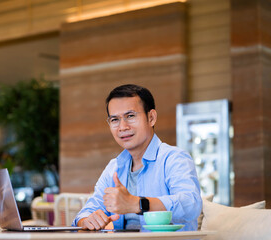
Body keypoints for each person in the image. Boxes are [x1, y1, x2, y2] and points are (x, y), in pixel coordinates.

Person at [72, 84, 202, 231]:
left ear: (151, 118)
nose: (122, 127)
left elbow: (191, 204)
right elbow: (86, 212)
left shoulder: (174, 158)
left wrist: (137, 204)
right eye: (114, 120)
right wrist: (87, 221)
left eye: (130, 116)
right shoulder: (114, 167)